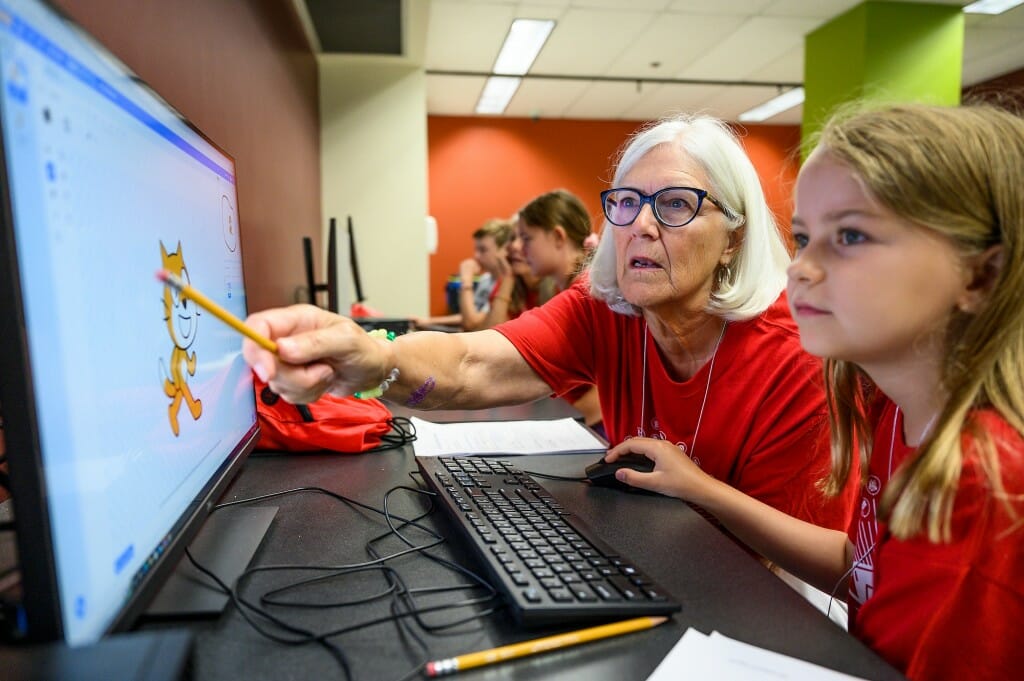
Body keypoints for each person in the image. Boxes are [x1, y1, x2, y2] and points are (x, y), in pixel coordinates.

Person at [242, 113, 856, 537]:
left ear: (733, 239)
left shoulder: (792, 356)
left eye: (675, 204)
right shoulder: (605, 307)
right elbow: (471, 364)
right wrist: (372, 358)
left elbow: (786, 565)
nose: (641, 224)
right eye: (626, 203)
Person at [605, 103, 1024, 680]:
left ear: (978, 276)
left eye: (849, 235)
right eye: (804, 237)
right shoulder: (896, 410)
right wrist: (702, 489)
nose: (801, 268)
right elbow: (865, 570)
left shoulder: (986, 486)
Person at [514, 189, 604, 431]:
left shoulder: (587, 294)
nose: (521, 250)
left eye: (527, 238)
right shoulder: (575, 288)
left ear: (557, 236)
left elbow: (603, 400)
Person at [412, 218, 514, 331]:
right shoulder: (486, 280)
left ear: (504, 250)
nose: (476, 256)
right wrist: (429, 321)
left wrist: (466, 279)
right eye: (476, 250)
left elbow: (471, 322)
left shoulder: (509, 285)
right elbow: (469, 315)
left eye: (483, 250)